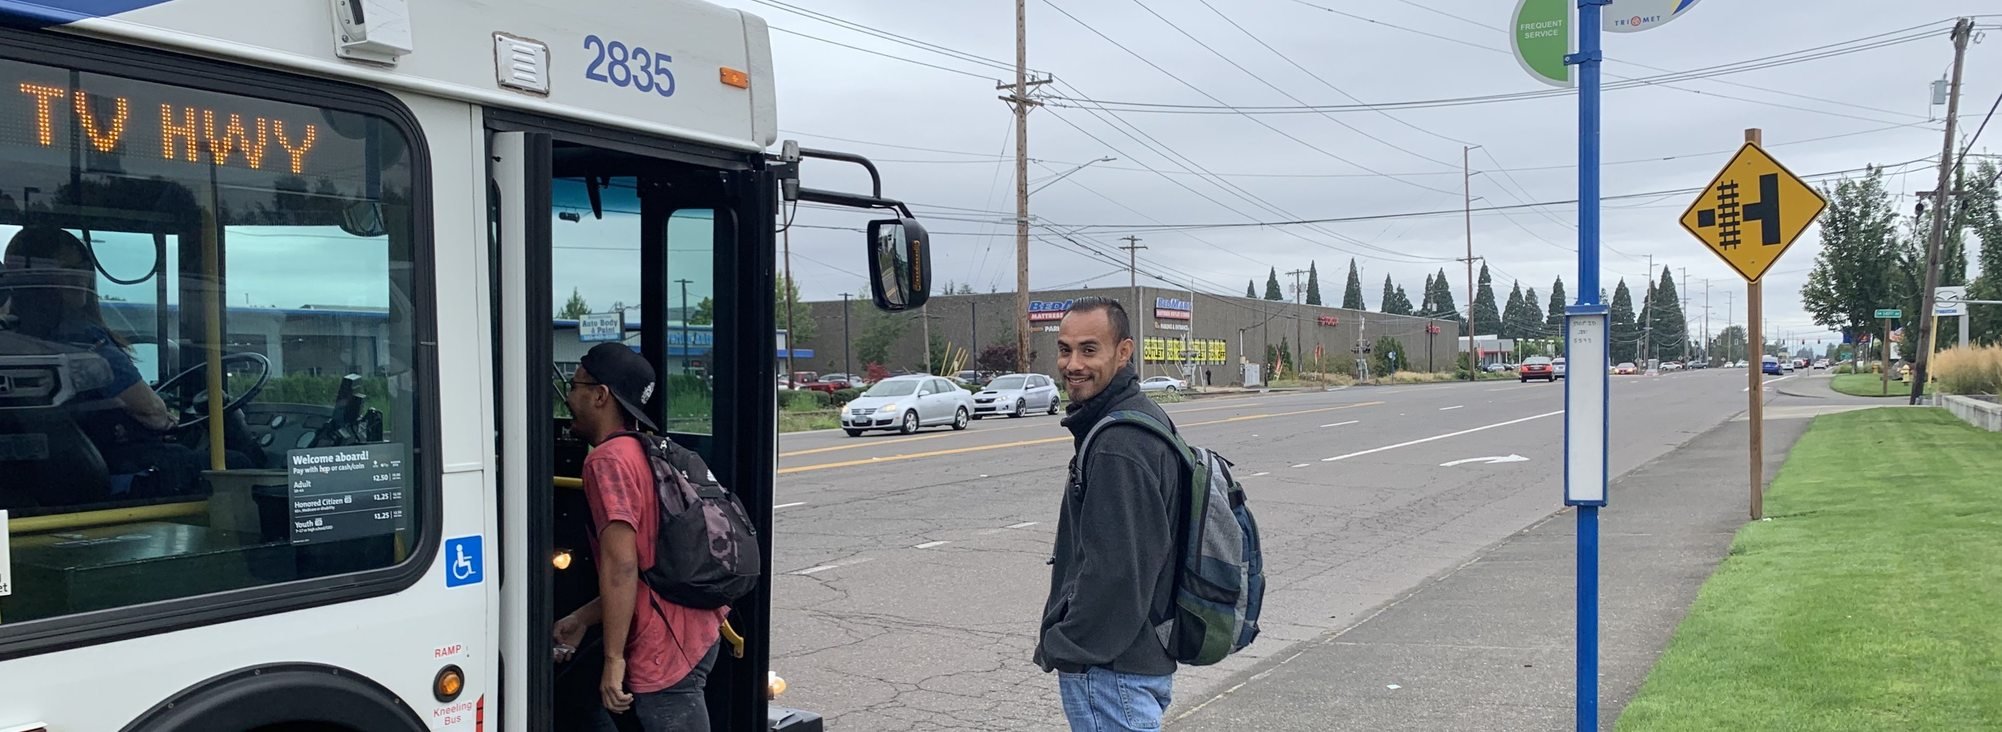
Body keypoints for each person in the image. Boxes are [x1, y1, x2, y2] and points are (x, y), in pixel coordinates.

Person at [553, 342, 727, 732]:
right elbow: (647, 568)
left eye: (575, 384)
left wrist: (614, 661)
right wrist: (582, 618)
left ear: (600, 396)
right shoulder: (646, 451)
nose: (568, 396)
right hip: (692, 627)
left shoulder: (607, 461)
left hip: (665, 648)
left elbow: (623, 566)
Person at [1034, 296, 1182, 731]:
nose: (1072, 363)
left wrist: (1066, 642)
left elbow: (1119, 571)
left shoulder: (1119, 444)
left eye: (1089, 349)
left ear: (1123, 352)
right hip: (1132, 663)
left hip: (1110, 670)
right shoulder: (1137, 418)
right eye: (1065, 349)